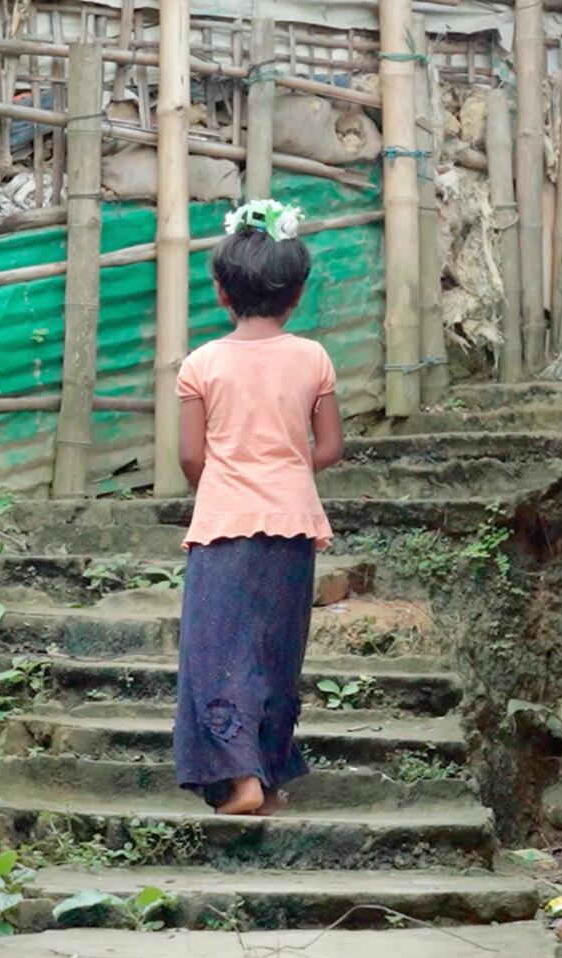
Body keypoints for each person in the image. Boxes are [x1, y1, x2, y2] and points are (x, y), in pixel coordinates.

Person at [171, 197, 344, 817]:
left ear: (220, 292)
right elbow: (330, 446)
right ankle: (266, 776)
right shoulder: (313, 358)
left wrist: (222, 484)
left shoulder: (202, 364)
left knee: (217, 651)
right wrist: (288, 469)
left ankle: (239, 780)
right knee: (276, 647)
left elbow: (192, 455)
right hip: (293, 524)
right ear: (296, 294)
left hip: (223, 525)